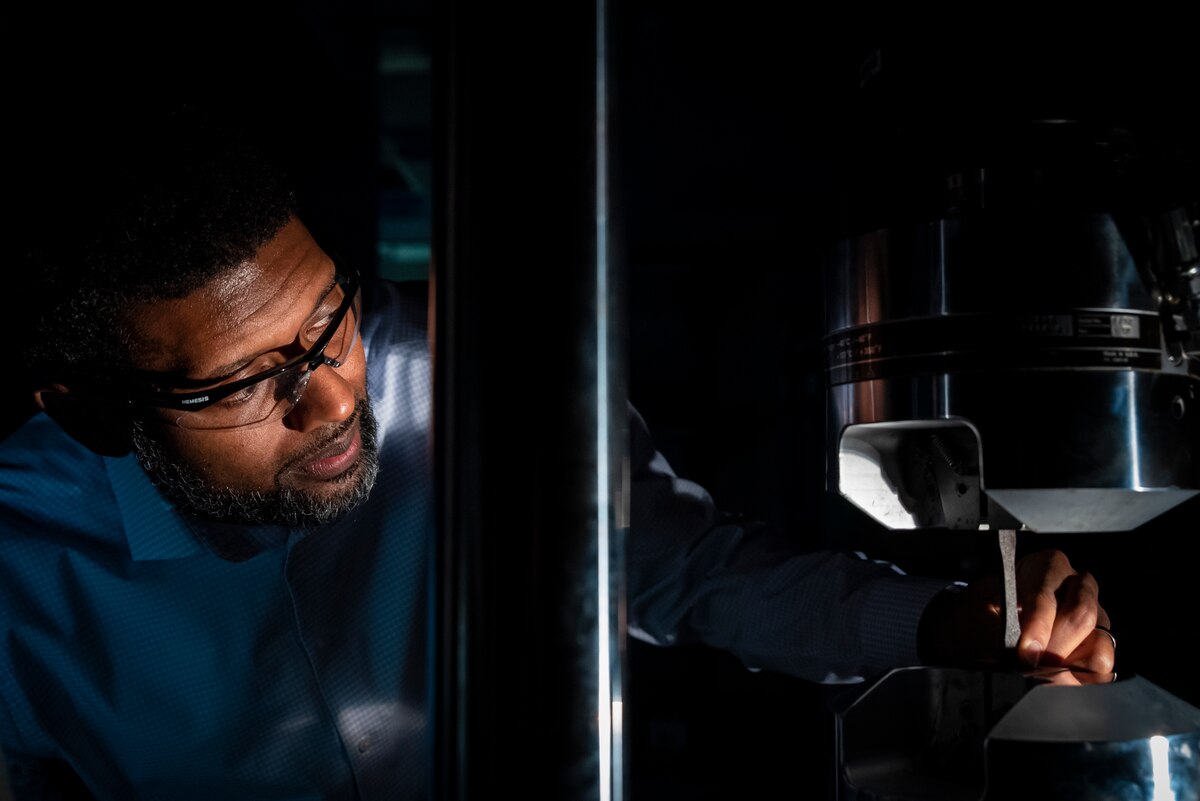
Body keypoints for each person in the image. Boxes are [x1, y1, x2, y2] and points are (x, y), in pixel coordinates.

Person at [0, 98, 1113, 800]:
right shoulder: (19, 566)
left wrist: (938, 623)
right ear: (97, 409)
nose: (330, 398)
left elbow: (686, 571)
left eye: (328, 323)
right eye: (249, 382)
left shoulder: (459, 381)